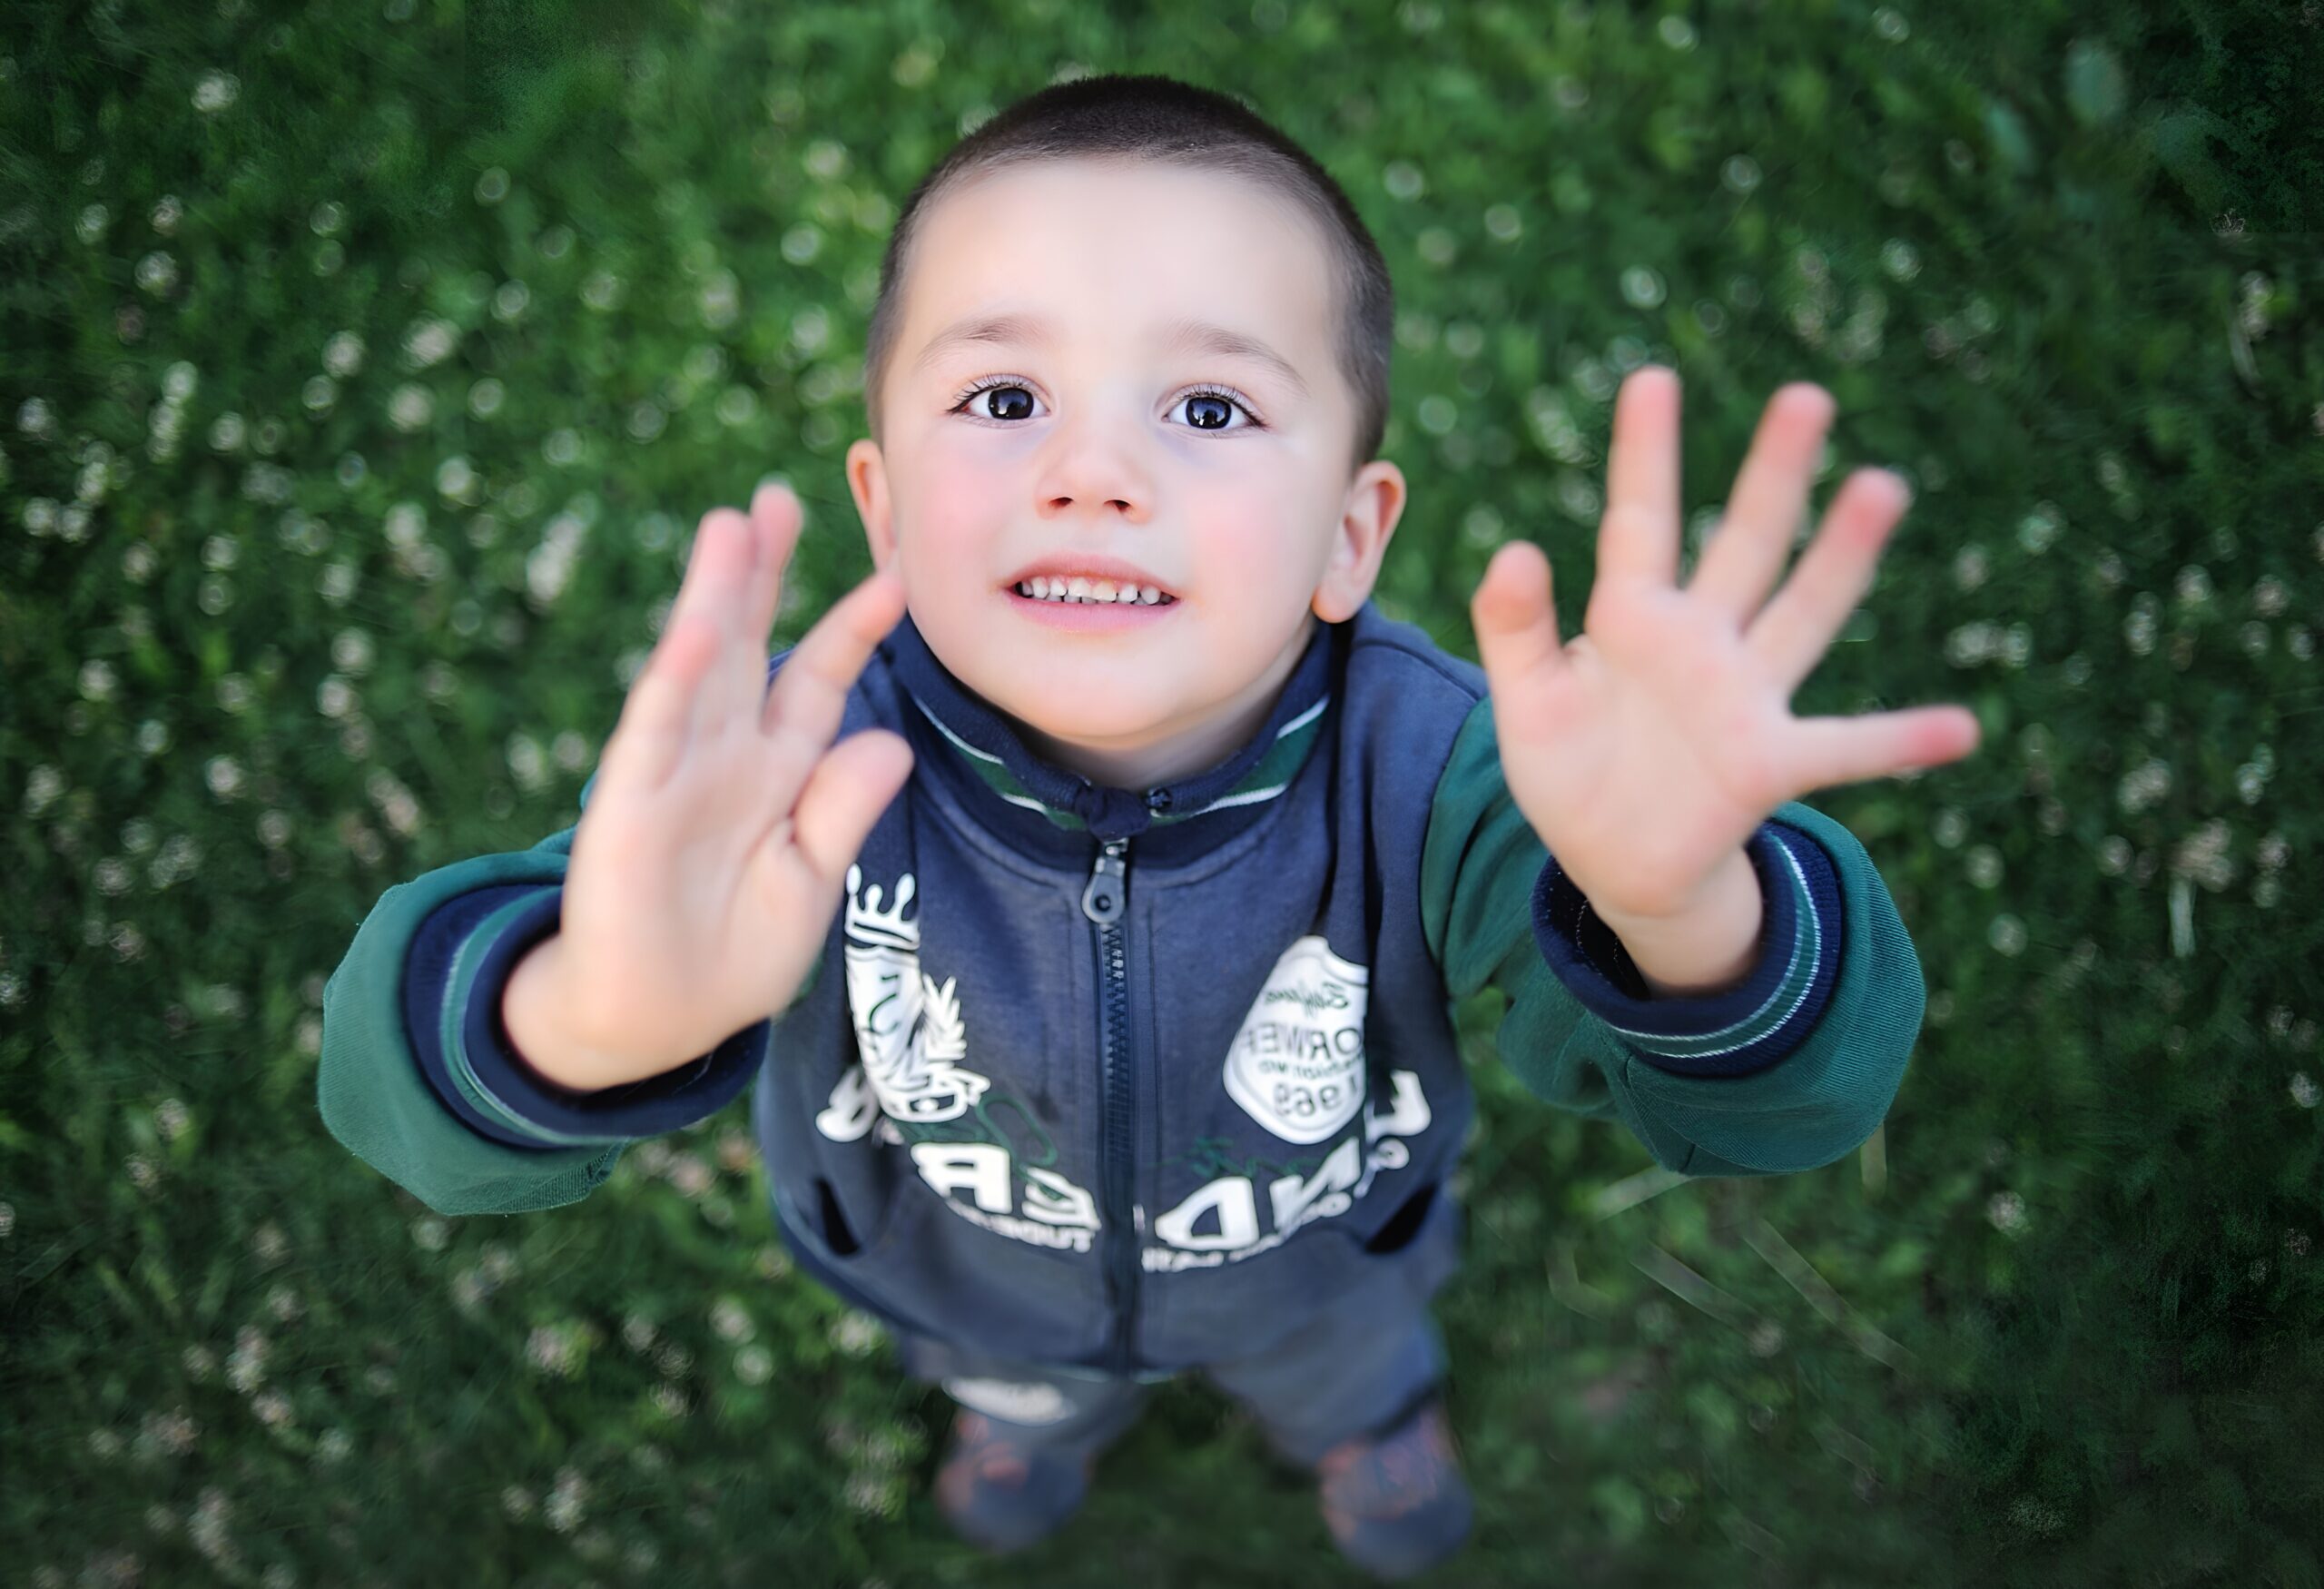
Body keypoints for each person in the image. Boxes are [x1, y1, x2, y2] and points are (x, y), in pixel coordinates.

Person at [318, 73, 1979, 1580]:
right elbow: (407, 1107)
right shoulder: (785, 774)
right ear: (883, 503)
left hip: (1323, 1265)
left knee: (1343, 1359)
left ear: (1349, 532)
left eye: (1205, 411)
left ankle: (1368, 1424)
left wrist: (1681, 900)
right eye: (999, 398)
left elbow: (1788, 1113)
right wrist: (590, 1018)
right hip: (960, 1278)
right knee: (1022, 1391)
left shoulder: (1452, 775)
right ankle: (1029, 1423)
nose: (1095, 470)